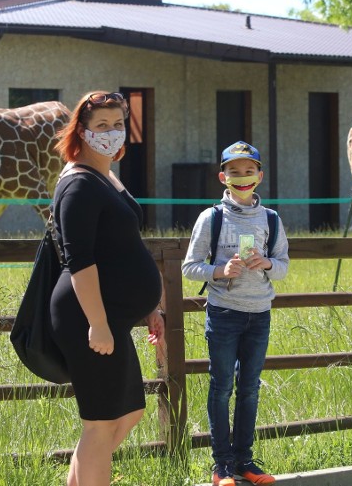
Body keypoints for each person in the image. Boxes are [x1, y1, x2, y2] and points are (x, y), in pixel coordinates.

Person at [50, 90, 165, 486]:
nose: (112, 132)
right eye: (102, 126)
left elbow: (122, 246)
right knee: (100, 424)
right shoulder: (78, 184)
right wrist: (97, 324)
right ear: (81, 131)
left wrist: (149, 307)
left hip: (112, 317)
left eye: (118, 125)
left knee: (129, 411)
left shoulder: (104, 176)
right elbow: (79, 260)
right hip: (89, 317)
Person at [182, 141, 290, 486]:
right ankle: (222, 466)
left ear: (260, 176)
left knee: (250, 389)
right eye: (234, 172)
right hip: (224, 314)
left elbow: (284, 266)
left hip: (260, 314)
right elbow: (189, 267)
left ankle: (245, 461)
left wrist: (267, 262)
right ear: (222, 177)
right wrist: (218, 271)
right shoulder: (211, 218)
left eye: (248, 171)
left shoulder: (271, 218)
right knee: (221, 387)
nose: (242, 178)